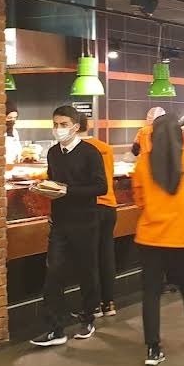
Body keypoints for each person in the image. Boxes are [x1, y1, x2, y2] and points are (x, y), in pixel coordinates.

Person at [30, 106, 108, 348]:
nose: (58, 129)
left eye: (63, 124)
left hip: (85, 221)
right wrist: (45, 188)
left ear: (75, 126)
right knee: (54, 273)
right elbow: (54, 182)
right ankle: (55, 328)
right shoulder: (53, 153)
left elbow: (101, 187)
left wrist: (68, 191)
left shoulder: (90, 153)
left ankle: (88, 317)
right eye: (55, 124)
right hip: (60, 222)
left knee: (87, 271)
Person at [132, 115, 184, 366]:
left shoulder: (143, 164)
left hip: (149, 237)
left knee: (151, 292)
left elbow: (139, 200)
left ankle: (153, 348)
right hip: (181, 236)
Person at [80, 114, 118, 319]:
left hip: (89, 207)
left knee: (90, 257)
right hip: (109, 205)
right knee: (107, 255)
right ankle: (109, 303)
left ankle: (93, 306)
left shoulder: (77, 150)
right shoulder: (106, 148)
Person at [5, 100, 21, 164]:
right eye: (9, 118)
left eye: (15, 118)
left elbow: (17, 150)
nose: (13, 121)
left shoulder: (14, 132)